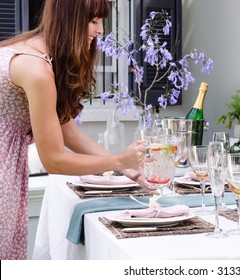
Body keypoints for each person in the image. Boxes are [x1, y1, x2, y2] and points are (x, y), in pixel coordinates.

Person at [0, 0, 148, 260]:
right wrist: (117, 159)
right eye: (93, 21)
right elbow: (54, 160)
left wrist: (124, 168)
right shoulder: (36, 69)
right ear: (69, 19)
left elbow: (68, 132)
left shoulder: (37, 52)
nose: (101, 30)